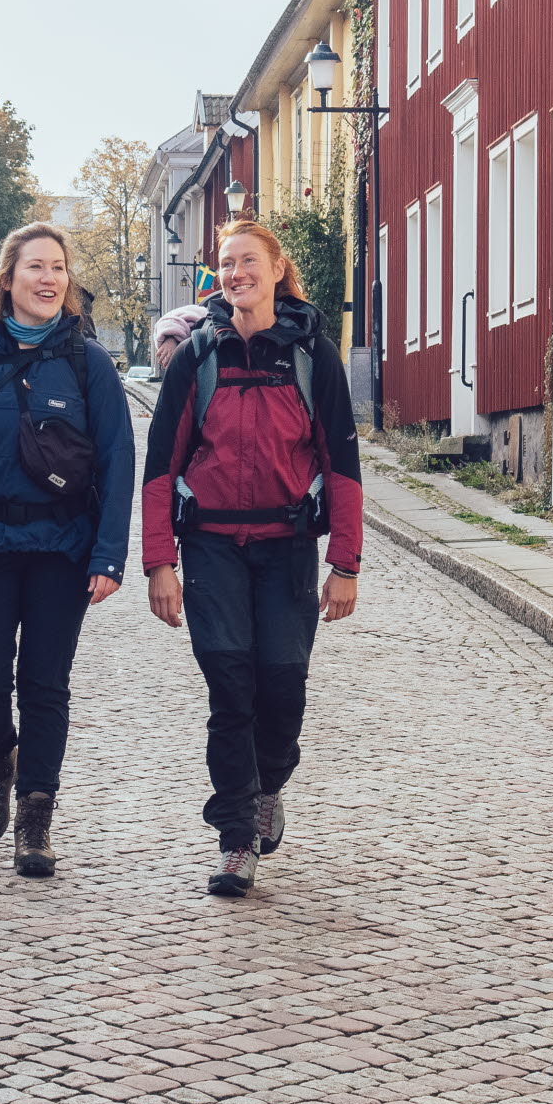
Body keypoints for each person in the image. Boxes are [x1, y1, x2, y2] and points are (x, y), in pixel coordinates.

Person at [141, 221, 363, 897]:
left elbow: (342, 463)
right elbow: (159, 469)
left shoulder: (309, 355)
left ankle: (268, 786)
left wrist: (345, 564)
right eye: (225, 264)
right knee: (230, 691)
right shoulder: (197, 357)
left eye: (247, 261)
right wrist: (160, 562)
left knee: (282, 689)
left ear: (275, 269)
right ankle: (237, 838)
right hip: (210, 548)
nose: (235, 272)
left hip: (286, 548)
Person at [0, 223, 136, 877]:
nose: (48, 278)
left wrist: (107, 555)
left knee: (44, 685)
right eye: (35, 267)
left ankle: (35, 817)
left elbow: (119, 461)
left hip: (62, 549)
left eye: (58, 268)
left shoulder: (88, 363)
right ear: (7, 280)